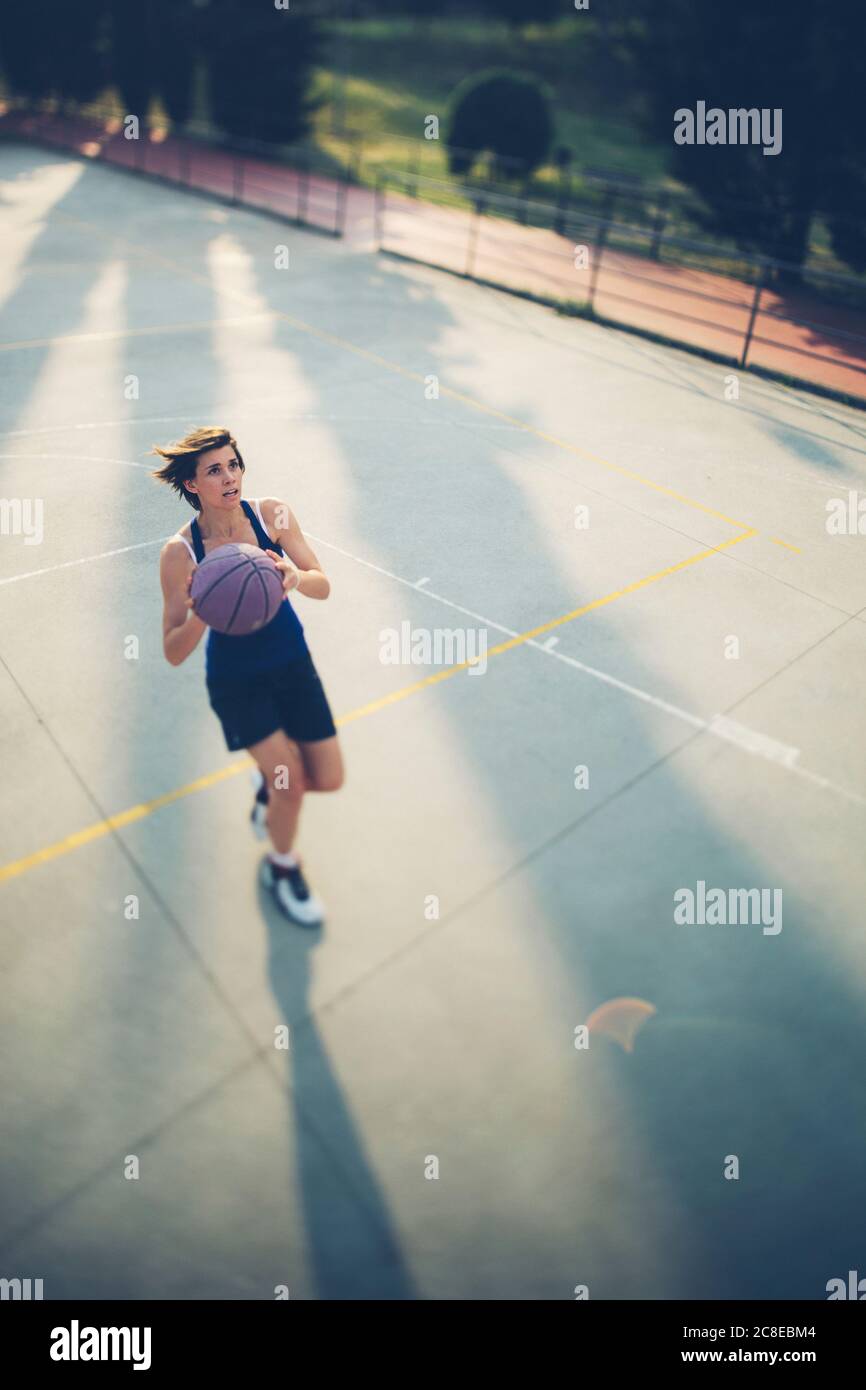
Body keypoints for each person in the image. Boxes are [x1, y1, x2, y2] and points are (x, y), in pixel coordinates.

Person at [151, 426, 343, 925]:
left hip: (292, 662)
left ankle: (266, 788)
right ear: (192, 485)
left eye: (233, 464)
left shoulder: (272, 515)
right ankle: (282, 869)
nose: (230, 476)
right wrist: (199, 610)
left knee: (328, 777)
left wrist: (297, 578)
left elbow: (323, 585)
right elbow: (173, 651)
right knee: (293, 785)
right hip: (238, 682)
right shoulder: (181, 553)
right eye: (214, 470)